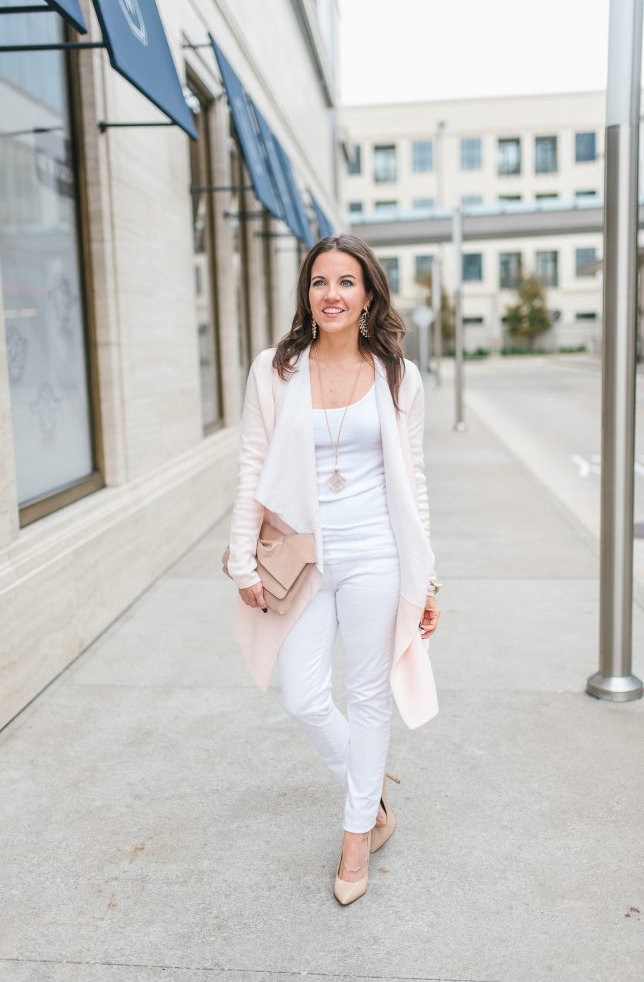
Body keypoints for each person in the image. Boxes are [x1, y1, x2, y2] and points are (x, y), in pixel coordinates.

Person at [225, 233, 441, 906]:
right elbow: (251, 466)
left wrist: (427, 577)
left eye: (347, 282)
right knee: (305, 695)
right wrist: (240, 559)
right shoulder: (275, 369)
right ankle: (369, 790)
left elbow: (416, 479)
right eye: (321, 282)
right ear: (306, 293)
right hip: (303, 555)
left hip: (378, 549)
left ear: (369, 294)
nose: (333, 294)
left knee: (371, 693)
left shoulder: (398, 375)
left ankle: (357, 837)